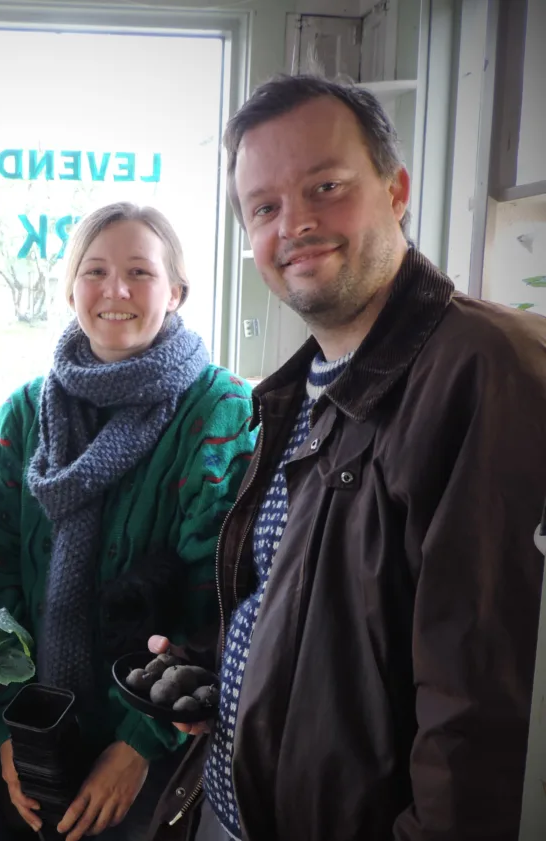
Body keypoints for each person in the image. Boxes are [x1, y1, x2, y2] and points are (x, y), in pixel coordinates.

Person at [148, 74, 546, 841]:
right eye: (264, 207)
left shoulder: (486, 370)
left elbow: (482, 716)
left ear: (396, 190)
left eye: (325, 186)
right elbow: (323, 613)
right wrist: (228, 674)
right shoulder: (296, 394)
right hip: (235, 808)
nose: (294, 223)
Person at [0, 202, 257, 841]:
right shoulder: (24, 412)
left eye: (139, 272)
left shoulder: (218, 409)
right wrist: (12, 729)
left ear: (176, 292)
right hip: (35, 740)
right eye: (94, 271)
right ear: (70, 289)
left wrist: (137, 746)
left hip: (162, 750)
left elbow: (221, 598)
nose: (115, 290)